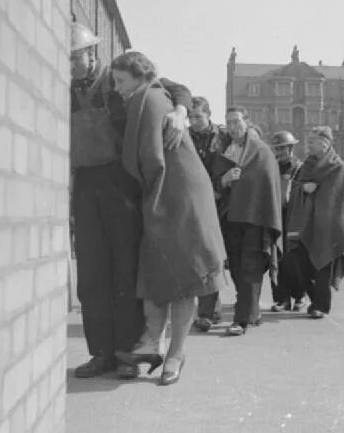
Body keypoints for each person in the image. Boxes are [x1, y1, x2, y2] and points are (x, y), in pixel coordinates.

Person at [69, 23, 190, 379]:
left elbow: (177, 89)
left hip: (123, 186)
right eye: (68, 59)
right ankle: (101, 353)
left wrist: (180, 112)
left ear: (93, 53)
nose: (73, 64)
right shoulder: (63, 87)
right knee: (91, 271)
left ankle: (128, 354)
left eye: (77, 56)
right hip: (86, 186)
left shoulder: (119, 76)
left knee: (126, 270)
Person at [111, 52, 226, 385]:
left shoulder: (146, 98)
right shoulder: (151, 93)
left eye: (121, 81)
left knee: (185, 275)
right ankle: (154, 342)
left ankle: (175, 353)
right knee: (161, 270)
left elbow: (146, 159)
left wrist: (180, 109)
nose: (117, 88)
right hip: (174, 191)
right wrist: (179, 107)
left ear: (139, 76)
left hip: (178, 195)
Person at [211, 107, 282, 336]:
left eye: (236, 122)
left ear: (247, 122)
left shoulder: (262, 151)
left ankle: (240, 321)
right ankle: (251, 312)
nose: (232, 127)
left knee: (250, 267)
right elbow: (215, 183)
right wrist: (224, 179)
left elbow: (266, 185)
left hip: (254, 218)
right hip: (231, 218)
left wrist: (241, 182)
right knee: (236, 267)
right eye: (228, 123)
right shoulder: (225, 149)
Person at [284, 126, 344, 318]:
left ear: (325, 143)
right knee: (300, 261)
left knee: (323, 264)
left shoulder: (337, 167)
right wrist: (303, 188)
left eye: (312, 141)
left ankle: (321, 306)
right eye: (308, 140)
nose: (308, 144)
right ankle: (314, 297)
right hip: (304, 225)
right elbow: (296, 188)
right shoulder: (306, 165)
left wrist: (315, 191)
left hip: (327, 227)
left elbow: (337, 198)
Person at [187, 96, 227, 331]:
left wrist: (219, 188)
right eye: (191, 117)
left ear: (209, 115)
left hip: (220, 202)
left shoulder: (222, 137)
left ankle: (211, 311)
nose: (194, 121)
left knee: (214, 255)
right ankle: (208, 311)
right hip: (195, 202)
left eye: (198, 117)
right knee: (201, 256)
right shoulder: (186, 136)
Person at [269, 130, 306, 312]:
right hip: (275, 216)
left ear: (291, 148)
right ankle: (282, 298)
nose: (280, 152)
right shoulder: (271, 166)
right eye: (277, 148)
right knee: (277, 257)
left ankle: (300, 296)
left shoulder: (300, 168)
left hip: (293, 218)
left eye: (283, 148)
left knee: (295, 258)